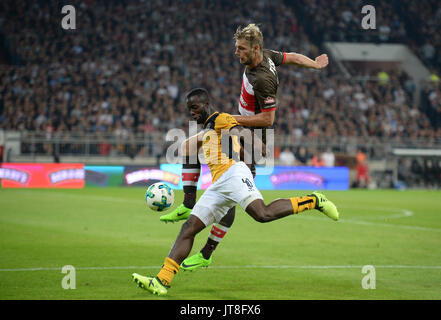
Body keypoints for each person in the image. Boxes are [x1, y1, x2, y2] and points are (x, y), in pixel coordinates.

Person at [132, 88, 339, 296]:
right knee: (189, 227)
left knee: (262, 214)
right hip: (218, 185)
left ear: (205, 104)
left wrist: (257, 144)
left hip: (233, 174)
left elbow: (241, 131)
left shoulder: (220, 118)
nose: (192, 113)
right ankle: (162, 280)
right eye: (189, 109)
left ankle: (314, 200)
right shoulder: (208, 130)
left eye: (194, 108)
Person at [159, 23, 329, 271]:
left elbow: (268, 119)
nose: (236, 53)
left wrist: (232, 120)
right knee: (196, 153)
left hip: (249, 136)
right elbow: (291, 57)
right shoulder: (266, 56)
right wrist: (313, 63)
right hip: (241, 129)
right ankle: (189, 208)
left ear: (255, 49)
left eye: (240, 48)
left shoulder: (263, 79)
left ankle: (203, 245)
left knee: (239, 200)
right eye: (236, 47)